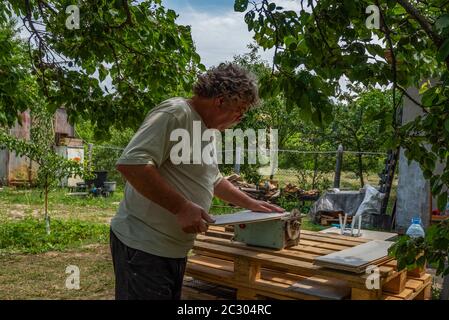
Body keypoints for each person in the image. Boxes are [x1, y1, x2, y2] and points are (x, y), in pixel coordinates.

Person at [109, 63, 284, 300]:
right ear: (220, 101)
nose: (240, 118)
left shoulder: (208, 131)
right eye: (239, 110)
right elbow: (133, 164)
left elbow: (213, 179)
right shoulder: (175, 113)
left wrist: (251, 203)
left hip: (173, 248)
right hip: (143, 245)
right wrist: (181, 207)